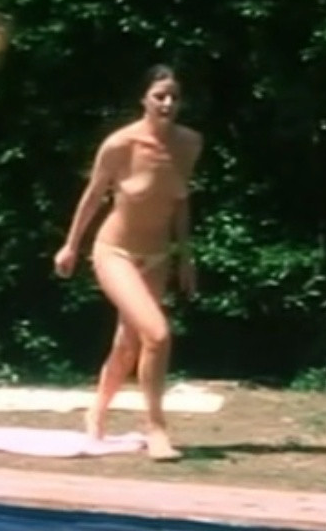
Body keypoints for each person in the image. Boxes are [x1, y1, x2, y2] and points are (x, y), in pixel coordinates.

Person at [54, 64, 203, 461]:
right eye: (159, 96)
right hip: (114, 251)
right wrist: (70, 246)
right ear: (143, 99)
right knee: (158, 334)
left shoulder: (189, 143)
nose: (167, 103)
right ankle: (156, 428)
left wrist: (185, 256)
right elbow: (92, 196)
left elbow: (180, 201)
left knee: (128, 345)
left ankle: (96, 413)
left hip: (157, 255)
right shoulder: (120, 144)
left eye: (174, 96)